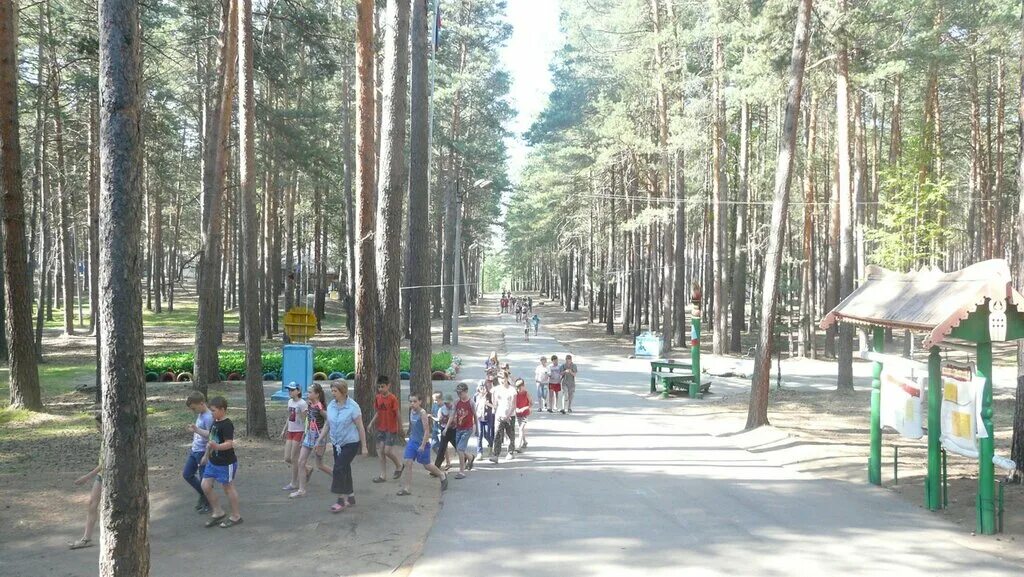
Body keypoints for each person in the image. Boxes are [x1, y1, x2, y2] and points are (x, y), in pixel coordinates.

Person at [317, 381, 368, 513]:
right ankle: (350, 496)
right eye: (332, 391)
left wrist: (364, 446)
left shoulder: (353, 407)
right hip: (337, 443)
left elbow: (360, 427)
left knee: (339, 468)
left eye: (335, 391)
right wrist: (320, 439)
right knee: (345, 468)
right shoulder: (332, 405)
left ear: (343, 392)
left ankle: (340, 500)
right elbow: (328, 424)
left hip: (350, 443)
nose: (333, 394)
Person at [201, 396, 242, 528]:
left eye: (213, 410)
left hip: (226, 463)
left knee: (228, 488)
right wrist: (206, 455)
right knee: (205, 485)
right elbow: (211, 439)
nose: (211, 413)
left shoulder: (227, 424)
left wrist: (217, 447)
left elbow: (229, 444)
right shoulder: (215, 422)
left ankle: (236, 516)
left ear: (222, 410)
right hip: (213, 462)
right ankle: (218, 512)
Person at [397, 394, 448, 495]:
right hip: (412, 442)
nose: (412, 403)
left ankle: (442, 475)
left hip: (422, 443)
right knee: (408, 462)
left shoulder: (422, 413)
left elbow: (426, 431)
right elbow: (414, 425)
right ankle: (407, 489)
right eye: (410, 401)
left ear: (420, 402)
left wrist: (423, 445)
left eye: (414, 401)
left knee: (427, 465)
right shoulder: (411, 411)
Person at [289, 383, 332, 498]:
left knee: (320, 464)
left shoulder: (320, 406)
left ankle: (338, 477)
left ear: (317, 394)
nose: (308, 394)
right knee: (301, 462)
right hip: (309, 435)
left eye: (310, 392)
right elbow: (308, 420)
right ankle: (301, 490)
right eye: (308, 392)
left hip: (319, 437)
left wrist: (320, 439)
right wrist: (305, 433)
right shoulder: (309, 404)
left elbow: (329, 420)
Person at [70, 414, 103, 549]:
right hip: (102, 476)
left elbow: (105, 463)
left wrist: (87, 477)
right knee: (92, 504)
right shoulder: (104, 439)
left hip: (111, 476)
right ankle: (87, 538)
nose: (97, 429)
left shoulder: (113, 438)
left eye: (99, 426)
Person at [366, 375, 403, 483]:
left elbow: (397, 413)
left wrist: (400, 427)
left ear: (388, 386)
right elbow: (378, 412)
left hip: (391, 428)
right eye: (379, 387)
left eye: (382, 386)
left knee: (387, 451)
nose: (380, 389)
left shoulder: (392, 398)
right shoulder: (378, 397)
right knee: (380, 451)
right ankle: (383, 475)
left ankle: (399, 465)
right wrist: (371, 423)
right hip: (381, 428)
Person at [183, 391, 213, 513]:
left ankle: (209, 502)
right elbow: (200, 431)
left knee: (204, 480)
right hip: (194, 450)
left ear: (201, 403)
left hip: (203, 452)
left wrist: (207, 455)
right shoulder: (201, 414)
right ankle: (203, 495)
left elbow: (212, 436)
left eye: (193, 408)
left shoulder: (209, 416)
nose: (193, 411)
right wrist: (194, 430)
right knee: (187, 474)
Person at [280, 382, 307, 492]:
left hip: (299, 431)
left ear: (298, 391)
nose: (290, 392)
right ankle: (306, 468)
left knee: (294, 458)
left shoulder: (302, 403)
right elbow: (289, 417)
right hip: (290, 431)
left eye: (292, 390)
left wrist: (305, 434)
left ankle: (294, 483)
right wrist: (284, 429)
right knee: (287, 458)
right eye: (289, 390)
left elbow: (306, 420)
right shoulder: (290, 402)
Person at [446, 382, 476, 478]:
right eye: (458, 393)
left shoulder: (471, 402)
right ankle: (470, 457)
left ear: (466, 391)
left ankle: (462, 471)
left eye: (461, 393)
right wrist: (446, 427)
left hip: (468, 429)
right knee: (459, 449)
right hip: (459, 428)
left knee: (459, 449)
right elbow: (452, 415)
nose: (459, 394)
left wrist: (477, 429)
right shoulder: (456, 402)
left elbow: (475, 415)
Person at [490, 372, 517, 463]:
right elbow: (494, 404)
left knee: (510, 434)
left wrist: (508, 415)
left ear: (506, 378)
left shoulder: (512, 390)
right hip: (499, 415)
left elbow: (514, 405)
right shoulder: (496, 389)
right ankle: (496, 455)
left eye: (503, 378)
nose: (501, 380)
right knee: (498, 434)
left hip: (510, 415)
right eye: (499, 378)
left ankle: (510, 452)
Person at [434, 394, 458, 470]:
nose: (447, 404)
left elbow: (453, 419)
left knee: (458, 446)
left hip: (453, 430)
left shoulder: (454, 409)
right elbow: (439, 420)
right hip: (444, 430)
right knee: (442, 448)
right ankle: (436, 467)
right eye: (445, 403)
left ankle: (467, 457)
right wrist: (439, 419)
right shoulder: (441, 409)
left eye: (448, 403)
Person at [473, 380, 494, 457]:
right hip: (479, 418)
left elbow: (494, 406)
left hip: (488, 418)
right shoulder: (476, 396)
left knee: (487, 434)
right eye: (481, 387)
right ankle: (479, 452)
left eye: (484, 387)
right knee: (480, 435)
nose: (482, 389)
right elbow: (474, 406)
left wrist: (487, 403)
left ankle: (491, 446)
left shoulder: (490, 395)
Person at [514, 379, 532, 451]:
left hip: (525, 414)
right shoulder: (515, 394)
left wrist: (524, 408)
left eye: (519, 386)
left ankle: (518, 446)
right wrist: (516, 409)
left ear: (523, 386)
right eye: (517, 386)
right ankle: (525, 442)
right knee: (521, 429)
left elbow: (531, 403)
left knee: (521, 428)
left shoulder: (526, 393)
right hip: (518, 414)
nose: (518, 388)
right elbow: (513, 404)